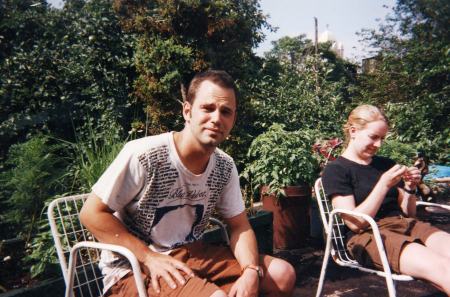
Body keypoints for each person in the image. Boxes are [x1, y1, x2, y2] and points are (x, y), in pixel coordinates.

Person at [80, 70, 296, 297]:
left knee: (282, 275)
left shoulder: (224, 165)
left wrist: (251, 270)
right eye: (208, 108)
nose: (216, 118)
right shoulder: (145, 154)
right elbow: (91, 214)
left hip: (194, 255)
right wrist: (148, 256)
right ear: (187, 111)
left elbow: (240, 226)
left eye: (225, 112)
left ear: (233, 119)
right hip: (133, 269)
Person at [322, 104, 450, 295]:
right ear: (353, 131)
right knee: (443, 269)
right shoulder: (336, 170)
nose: (379, 145)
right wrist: (383, 184)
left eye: (382, 138)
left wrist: (410, 188)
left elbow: (409, 213)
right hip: (368, 236)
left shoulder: (385, 164)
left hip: (405, 224)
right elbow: (355, 224)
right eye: (373, 137)